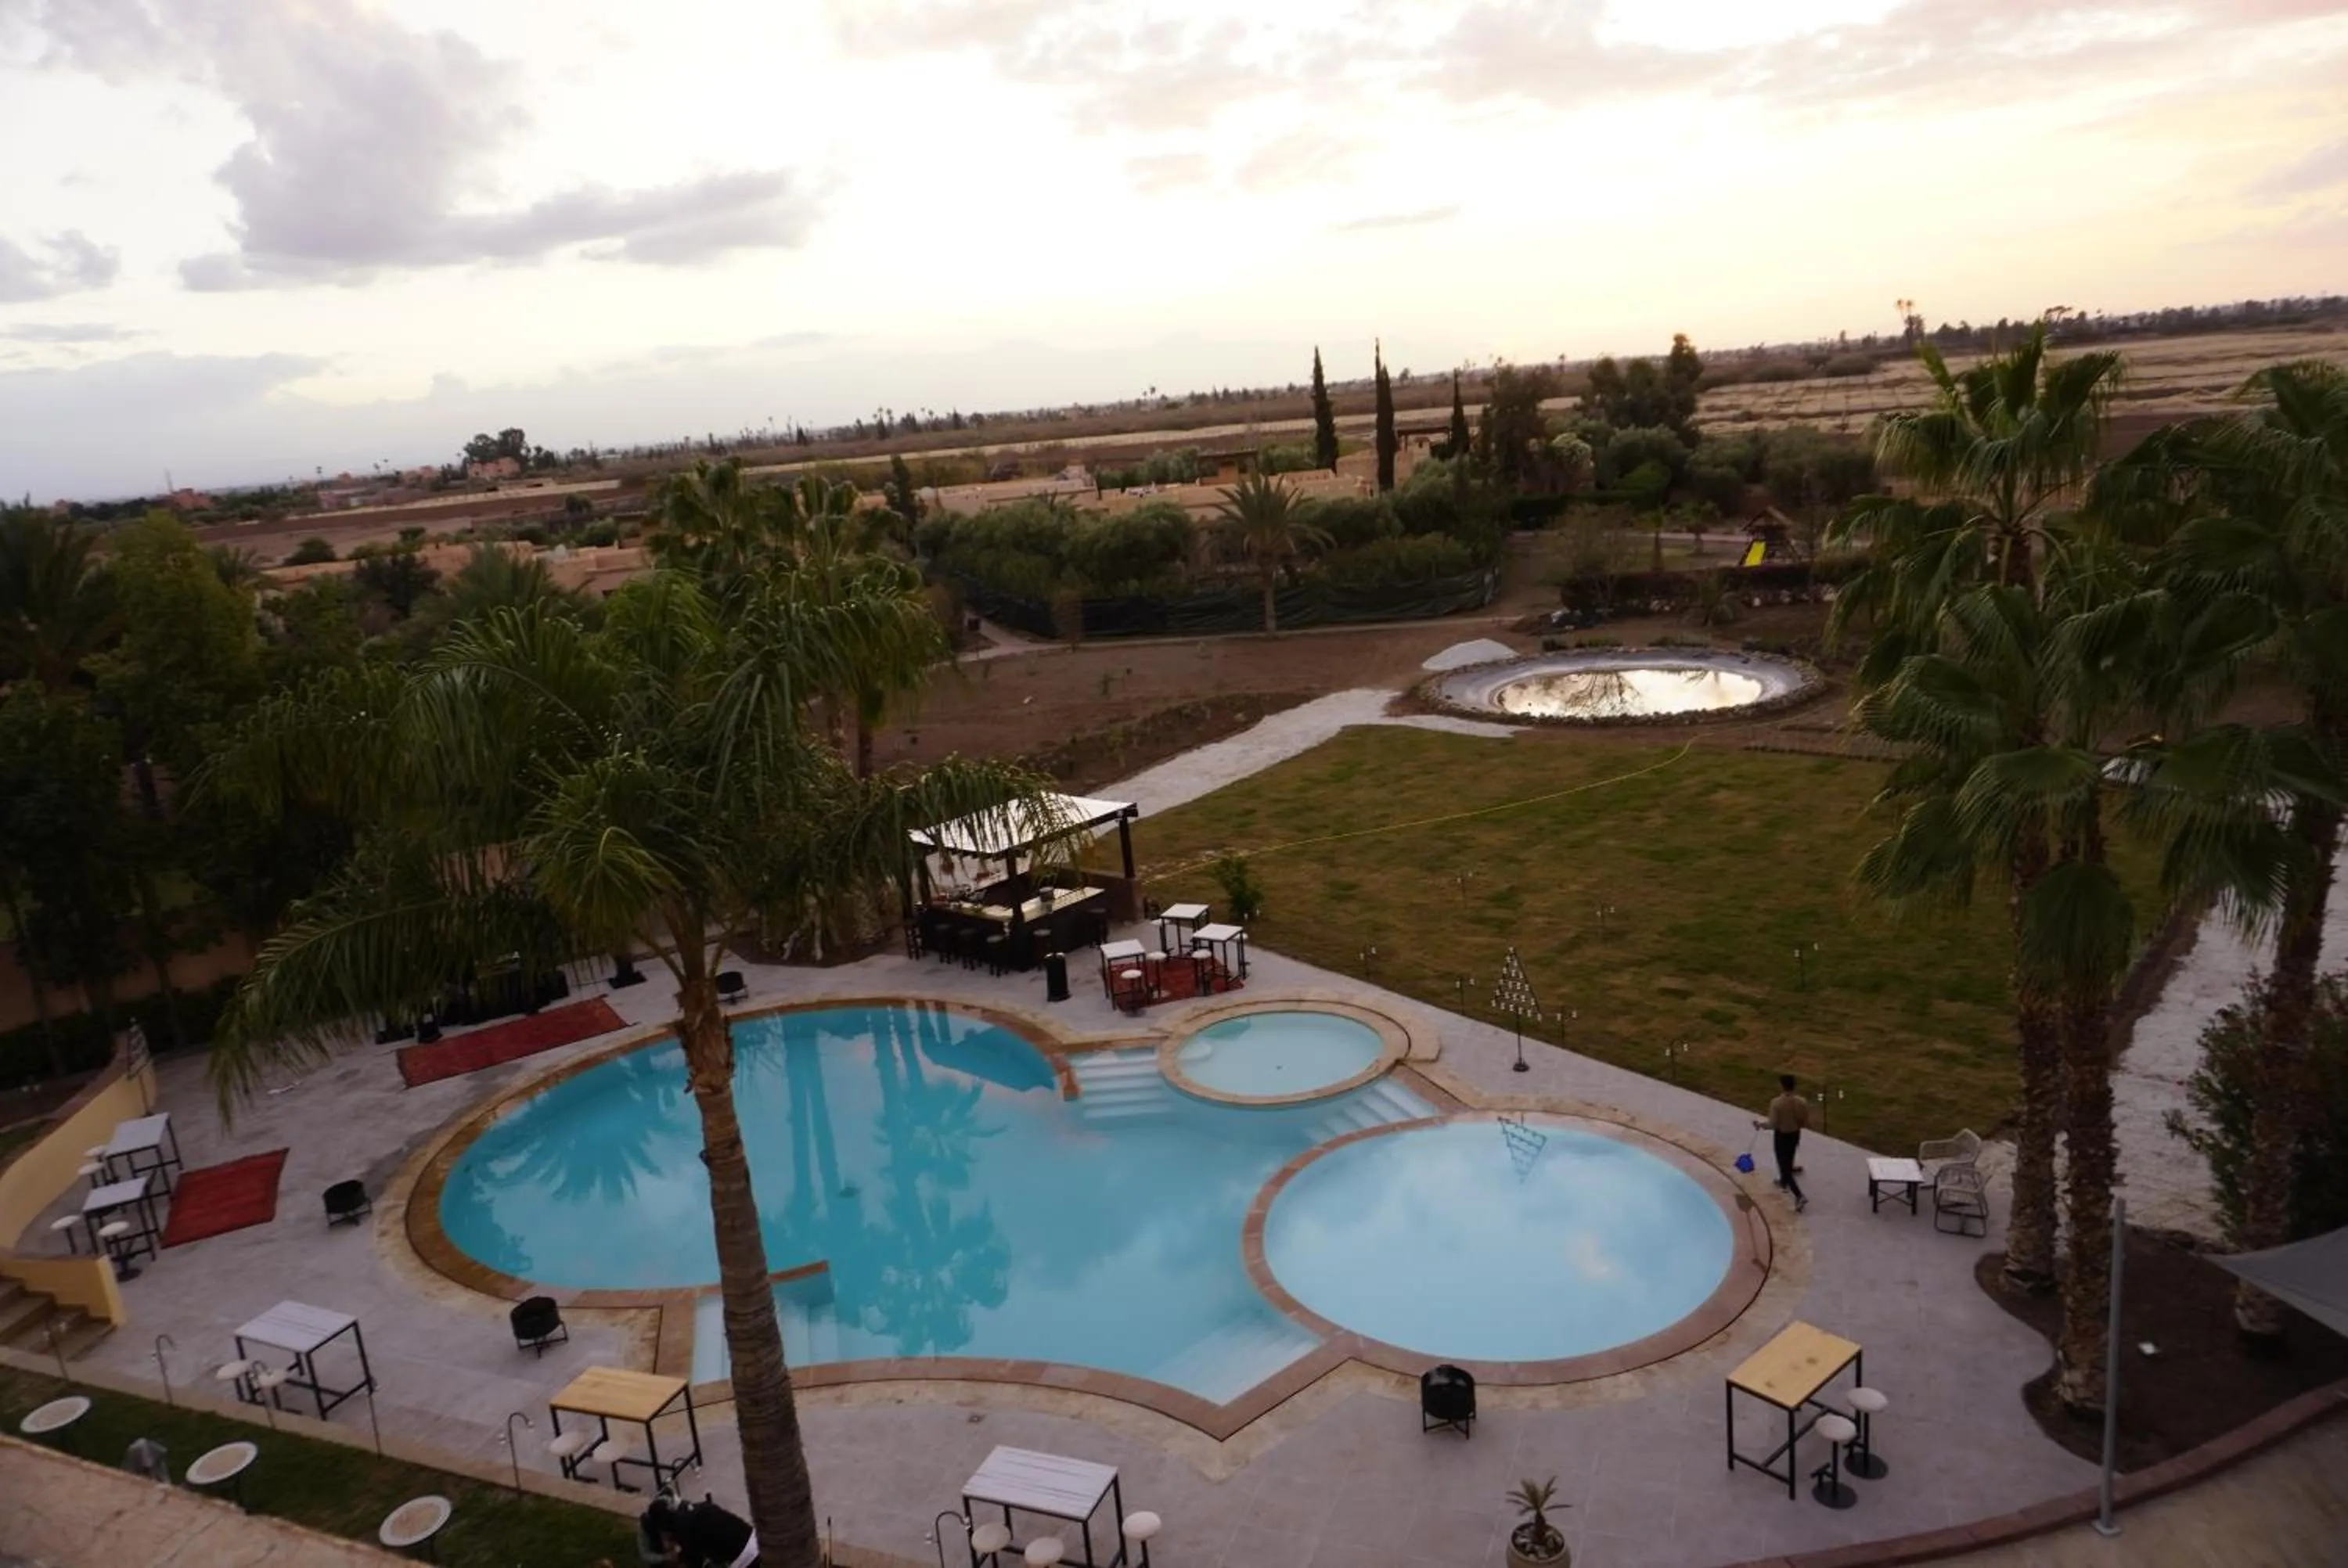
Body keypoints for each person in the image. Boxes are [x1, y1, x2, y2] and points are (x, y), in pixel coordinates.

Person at [641, 1494, 759, 1568]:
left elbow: (694, 1561)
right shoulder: (697, 1507)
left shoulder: (684, 1531)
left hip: (745, 1557)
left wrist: (677, 1557)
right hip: (755, 1538)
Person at [1755, 1073, 1811, 1211]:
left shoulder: (1777, 1103)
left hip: (1782, 1136)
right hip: (1795, 1134)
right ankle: (1784, 1180)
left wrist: (1760, 1125)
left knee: (1783, 1165)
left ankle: (1798, 1195)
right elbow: (1804, 1121)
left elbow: (1773, 1124)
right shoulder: (1802, 1102)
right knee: (1790, 1155)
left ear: (1782, 1086)